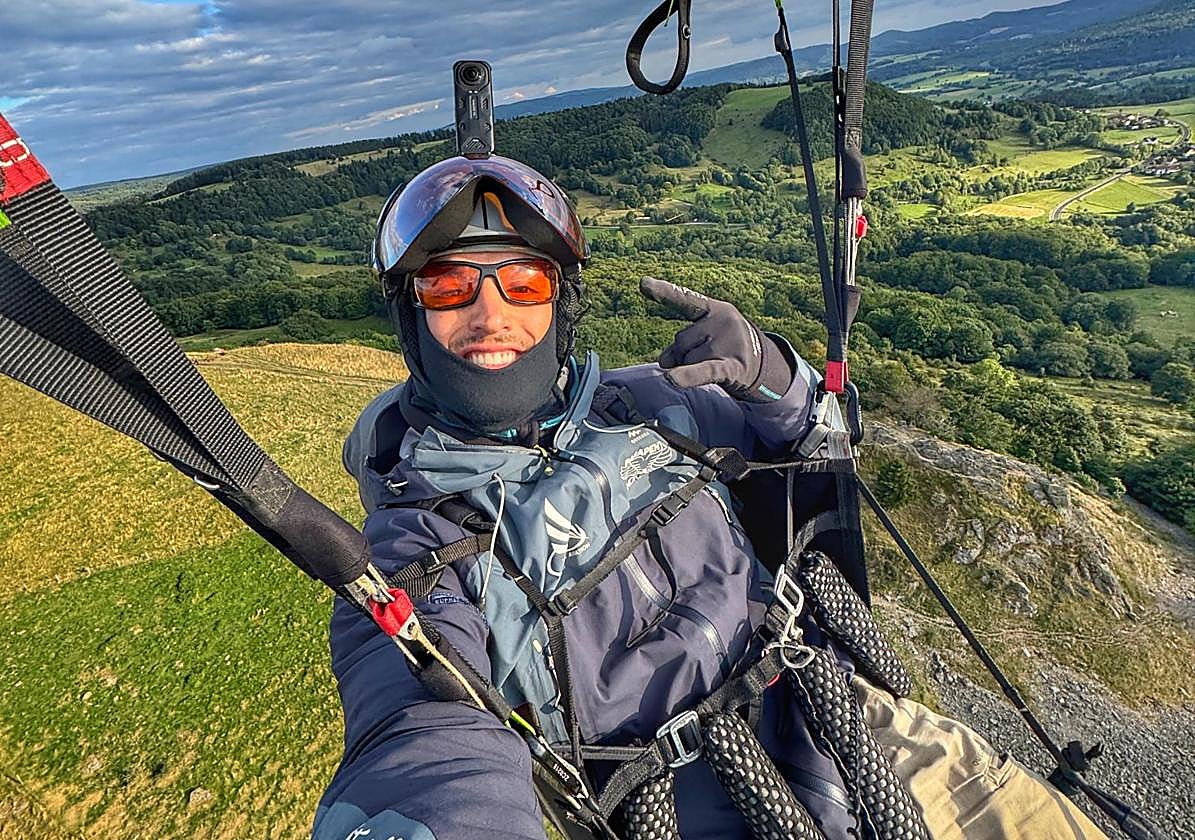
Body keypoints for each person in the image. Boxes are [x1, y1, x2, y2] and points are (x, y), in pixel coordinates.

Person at [311, 154, 1110, 840]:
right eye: (449, 286)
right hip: (681, 813)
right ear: (408, 311)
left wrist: (772, 372)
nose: (492, 315)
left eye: (524, 281)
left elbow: (822, 445)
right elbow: (422, 734)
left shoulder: (657, 403)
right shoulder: (415, 537)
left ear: (561, 302)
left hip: (870, 734)